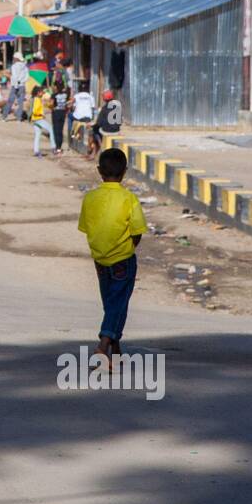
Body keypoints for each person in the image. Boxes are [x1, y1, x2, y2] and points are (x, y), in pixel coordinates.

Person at [78, 148, 146, 364]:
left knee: (112, 302)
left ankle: (115, 347)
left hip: (100, 259)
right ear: (125, 171)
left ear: (99, 171)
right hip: (123, 259)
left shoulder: (90, 198)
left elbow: (87, 227)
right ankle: (103, 345)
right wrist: (127, 248)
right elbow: (137, 231)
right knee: (118, 302)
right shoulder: (129, 198)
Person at [88, 90, 122, 160]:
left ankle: (97, 150)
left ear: (104, 98)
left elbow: (99, 123)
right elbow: (120, 122)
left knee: (94, 131)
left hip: (107, 131)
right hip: (116, 130)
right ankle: (95, 152)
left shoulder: (103, 108)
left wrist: (91, 126)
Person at [30, 85, 54, 157]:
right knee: (51, 129)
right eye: (41, 92)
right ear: (38, 93)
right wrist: (41, 114)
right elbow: (35, 110)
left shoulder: (35, 99)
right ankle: (54, 147)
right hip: (38, 118)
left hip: (34, 119)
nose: (43, 93)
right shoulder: (37, 99)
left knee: (38, 134)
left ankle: (36, 151)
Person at [3, 52, 29, 121]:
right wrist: (21, 82)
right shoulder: (25, 67)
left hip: (15, 85)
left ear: (15, 58)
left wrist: (16, 84)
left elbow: (15, 76)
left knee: (10, 101)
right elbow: (27, 77)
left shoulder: (14, 66)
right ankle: (19, 118)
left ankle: (4, 116)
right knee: (20, 103)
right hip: (22, 85)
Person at [71, 80, 95, 148]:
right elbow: (93, 107)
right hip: (88, 117)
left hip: (78, 117)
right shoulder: (90, 96)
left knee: (70, 116)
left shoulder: (76, 96)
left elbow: (73, 106)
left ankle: (72, 133)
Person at [50, 78, 70, 155]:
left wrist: (51, 107)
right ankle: (59, 147)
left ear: (56, 87)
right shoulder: (66, 94)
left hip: (56, 113)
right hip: (63, 113)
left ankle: (57, 147)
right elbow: (68, 103)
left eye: (54, 86)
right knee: (61, 130)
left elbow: (51, 104)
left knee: (56, 130)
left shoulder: (54, 95)